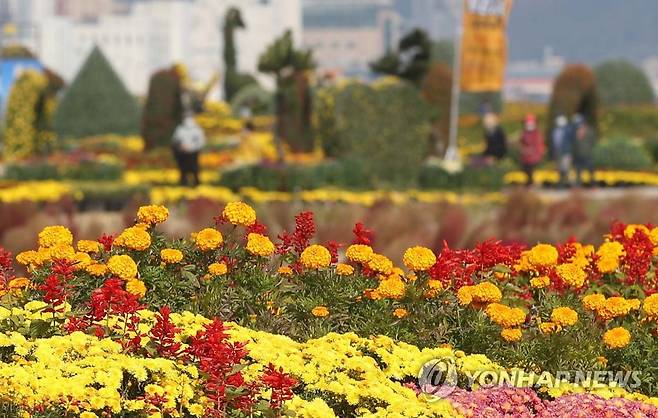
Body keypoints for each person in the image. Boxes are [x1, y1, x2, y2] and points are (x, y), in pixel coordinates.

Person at [172, 112, 206, 187]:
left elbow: (201, 141)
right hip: (183, 153)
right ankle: (183, 184)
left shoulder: (197, 129)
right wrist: (181, 146)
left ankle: (196, 184)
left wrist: (192, 147)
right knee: (183, 170)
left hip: (193, 153)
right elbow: (176, 139)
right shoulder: (180, 129)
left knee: (194, 169)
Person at [518, 114, 545, 186]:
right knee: (525, 170)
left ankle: (532, 184)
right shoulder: (524, 133)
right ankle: (529, 184)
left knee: (531, 171)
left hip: (534, 158)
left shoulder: (537, 134)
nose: (528, 125)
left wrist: (529, 150)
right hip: (525, 157)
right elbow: (521, 142)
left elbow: (538, 147)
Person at [571, 114, 596, 187]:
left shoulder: (588, 131)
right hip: (579, 154)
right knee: (579, 170)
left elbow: (592, 141)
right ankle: (580, 184)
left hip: (586, 153)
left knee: (589, 169)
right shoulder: (576, 131)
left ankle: (591, 183)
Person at [551, 114, 572, 187]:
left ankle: (566, 183)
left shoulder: (568, 130)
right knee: (559, 168)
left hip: (566, 152)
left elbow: (571, 142)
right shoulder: (555, 131)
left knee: (565, 168)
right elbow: (554, 143)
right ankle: (560, 183)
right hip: (558, 152)